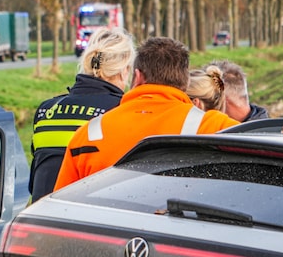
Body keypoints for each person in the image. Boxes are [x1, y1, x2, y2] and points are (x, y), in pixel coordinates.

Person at [54, 38, 240, 191]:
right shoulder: (219, 128)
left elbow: (59, 211)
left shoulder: (87, 135)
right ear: (186, 81)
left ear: (137, 76)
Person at [29, 28, 135, 201]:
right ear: (124, 70)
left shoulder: (45, 111)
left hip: (41, 219)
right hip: (86, 221)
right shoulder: (121, 111)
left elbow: (37, 179)